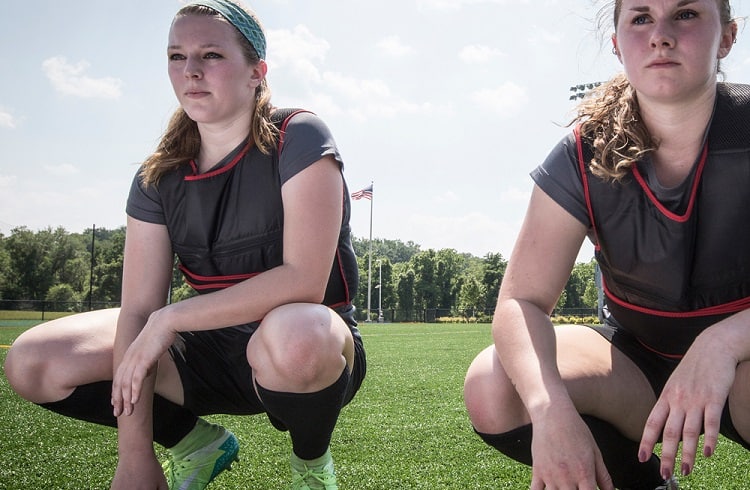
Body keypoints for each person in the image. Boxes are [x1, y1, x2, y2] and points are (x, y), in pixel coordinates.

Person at [4, 1, 366, 489]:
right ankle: (193, 442)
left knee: (297, 333)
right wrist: (134, 457)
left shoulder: (297, 136)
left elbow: (304, 280)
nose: (190, 71)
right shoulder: (158, 174)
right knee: (34, 362)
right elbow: (138, 310)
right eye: (177, 56)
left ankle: (311, 462)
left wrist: (170, 319)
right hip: (208, 350)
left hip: (308, 351)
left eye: (211, 55)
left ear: (256, 72)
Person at [463, 0, 749, 488]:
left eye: (685, 14)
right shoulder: (584, 150)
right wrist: (550, 411)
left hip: (743, 362)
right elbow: (520, 301)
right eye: (641, 18)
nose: (660, 35)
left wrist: (722, 341)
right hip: (637, 362)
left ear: (726, 36)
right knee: (495, 386)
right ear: (618, 47)